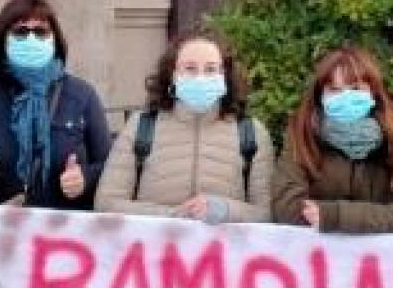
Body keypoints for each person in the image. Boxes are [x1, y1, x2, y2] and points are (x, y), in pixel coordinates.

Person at [0, 0, 110, 209]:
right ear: (3, 38)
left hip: (59, 235)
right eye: (20, 32)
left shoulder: (81, 95)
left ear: (55, 39)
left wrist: (86, 179)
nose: (31, 39)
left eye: (41, 32)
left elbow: (111, 168)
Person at [95, 31, 273, 223]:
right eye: (190, 68)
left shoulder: (252, 133)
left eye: (211, 69)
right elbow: (106, 204)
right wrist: (172, 216)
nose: (200, 77)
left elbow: (267, 214)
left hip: (223, 252)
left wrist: (226, 210)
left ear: (224, 76)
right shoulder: (141, 126)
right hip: (153, 250)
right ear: (173, 75)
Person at [272, 46, 393, 232]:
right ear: (320, 96)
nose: (346, 96)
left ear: (373, 93)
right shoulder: (301, 134)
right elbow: (287, 208)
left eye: (356, 88)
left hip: (378, 259)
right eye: (335, 89)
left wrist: (334, 216)